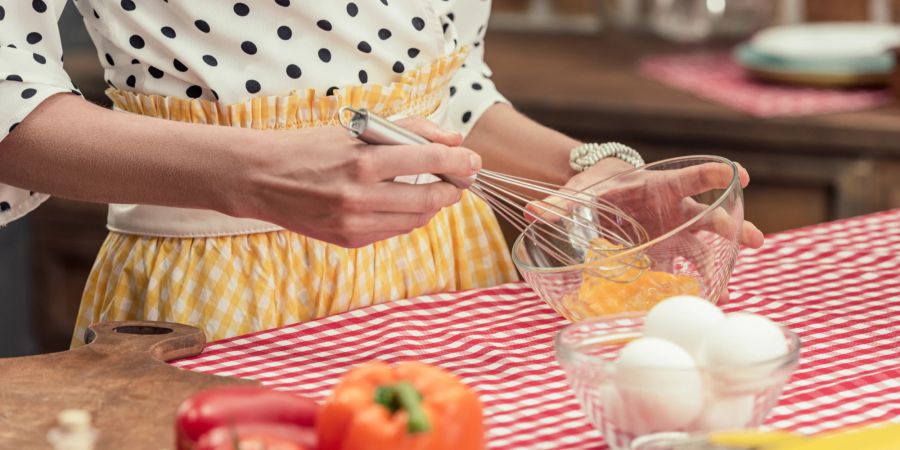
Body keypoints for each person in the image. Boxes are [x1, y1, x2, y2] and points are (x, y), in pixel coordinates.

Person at [0, 1, 764, 346]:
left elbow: (443, 87)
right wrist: (251, 172)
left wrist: (585, 171)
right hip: (224, 294)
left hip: (449, 275)